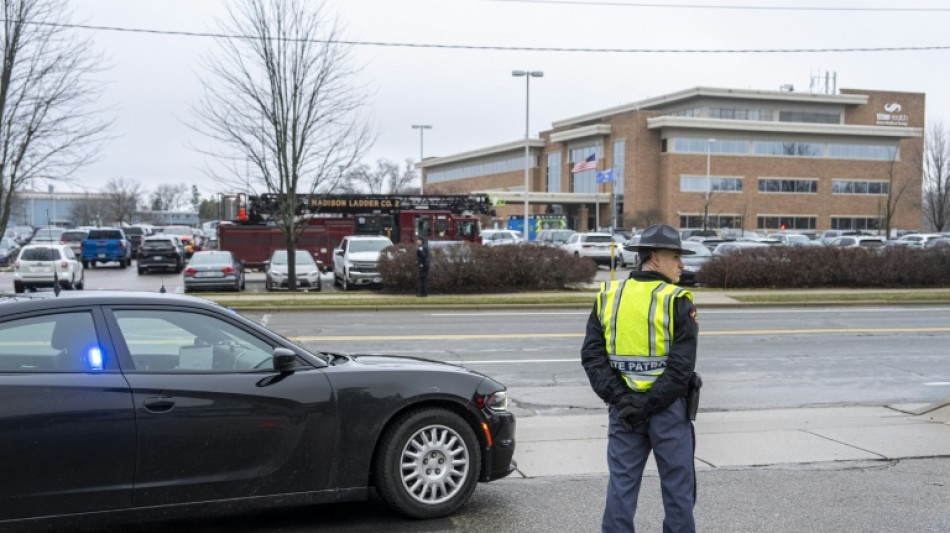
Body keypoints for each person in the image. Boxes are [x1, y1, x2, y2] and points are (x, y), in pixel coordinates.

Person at [581, 223, 700, 533]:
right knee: (677, 490)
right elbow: (680, 368)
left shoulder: (609, 295)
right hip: (668, 412)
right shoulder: (676, 299)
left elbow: (592, 357)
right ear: (655, 258)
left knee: (621, 486)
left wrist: (623, 400)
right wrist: (648, 404)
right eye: (676, 256)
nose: (682, 264)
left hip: (624, 412)